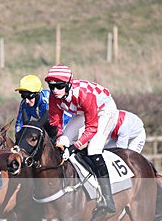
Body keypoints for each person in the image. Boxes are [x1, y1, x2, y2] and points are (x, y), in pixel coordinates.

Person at [45, 64, 119, 213]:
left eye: (59, 86)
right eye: (51, 86)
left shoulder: (84, 94)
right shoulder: (55, 96)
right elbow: (55, 123)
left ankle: (107, 197)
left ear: (68, 84)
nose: (54, 91)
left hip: (104, 110)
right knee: (61, 142)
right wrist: (59, 141)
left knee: (93, 148)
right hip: (81, 112)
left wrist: (73, 148)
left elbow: (92, 128)